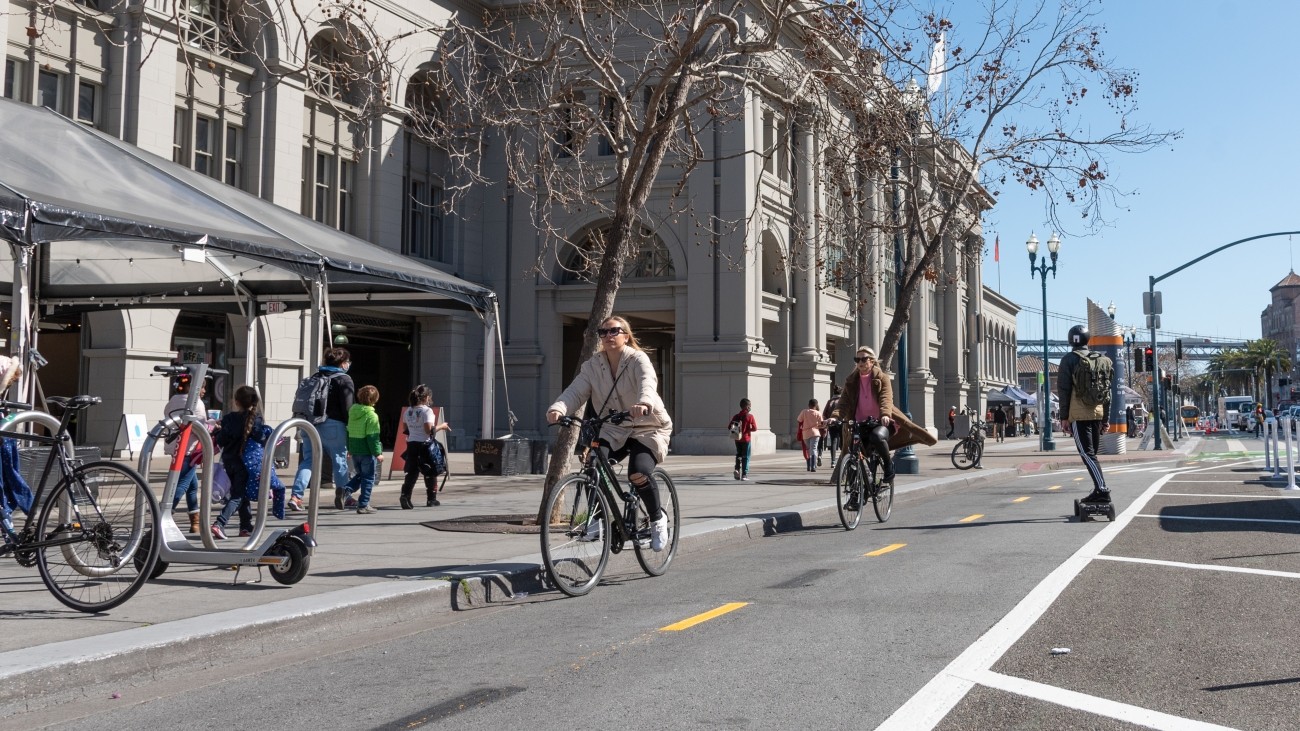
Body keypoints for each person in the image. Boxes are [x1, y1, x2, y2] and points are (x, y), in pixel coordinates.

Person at [547, 316, 673, 551]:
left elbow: (648, 381)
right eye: (602, 332)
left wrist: (644, 402)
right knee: (592, 464)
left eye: (614, 331)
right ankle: (598, 520)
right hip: (614, 426)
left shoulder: (637, 359)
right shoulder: (593, 366)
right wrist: (558, 408)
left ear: (626, 335)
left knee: (639, 472)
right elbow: (575, 391)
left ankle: (657, 518)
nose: (607, 336)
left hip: (648, 425)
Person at [832, 345, 936, 510]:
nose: (860, 362)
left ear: (872, 361)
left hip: (881, 422)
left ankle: (888, 466)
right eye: (857, 359)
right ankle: (856, 496)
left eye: (864, 359)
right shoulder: (851, 380)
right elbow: (843, 403)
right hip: (859, 424)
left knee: (877, 437)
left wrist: (885, 414)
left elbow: (886, 398)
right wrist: (834, 417)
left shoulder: (882, 378)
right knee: (852, 456)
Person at [211, 386, 285, 540]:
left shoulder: (229, 418)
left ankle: (245, 526)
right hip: (245, 463)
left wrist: (218, 430)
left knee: (241, 493)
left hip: (229, 462)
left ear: (236, 401)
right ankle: (220, 523)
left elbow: (220, 440)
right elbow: (261, 439)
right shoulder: (254, 419)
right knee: (238, 495)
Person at [288, 347, 356, 512]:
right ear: (342, 363)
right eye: (347, 361)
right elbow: (348, 407)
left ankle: (296, 496)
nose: (348, 364)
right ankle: (343, 495)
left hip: (310, 423)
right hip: (334, 425)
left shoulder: (315, 376)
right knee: (339, 460)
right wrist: (351, 429)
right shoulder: (344, 379)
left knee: (308, 461)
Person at [1057, 324, 1113, 505]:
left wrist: (1064, 417)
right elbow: (1107, 393)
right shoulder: (1102, 360)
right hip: (1097, 413)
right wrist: (1106, 419)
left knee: (1087, 454)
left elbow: (1064, 390)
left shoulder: (1068, 360)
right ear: (1087, 339)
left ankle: (1102, 489)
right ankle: (1098, 489)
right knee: (1092, 454)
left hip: (1078, 415)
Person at [162, 378, 208, 534]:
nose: (204, 391)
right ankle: (164, 513)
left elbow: (167, 415)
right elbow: (200, 427)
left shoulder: (174, 399)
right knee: (181, 484)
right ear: (193, 387)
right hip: (189, 448)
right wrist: (213, 426)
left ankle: (195, 522)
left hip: (175, 445)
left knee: (192, 485)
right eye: (202, 387)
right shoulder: (197, 404)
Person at [400, 384, 452, 509]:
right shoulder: (427, 411)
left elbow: (405, 429)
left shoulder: (409, 410)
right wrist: (442, 426)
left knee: (411, 472)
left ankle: (405, 495)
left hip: (412, 444)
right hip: (425, 445)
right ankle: (431, 499)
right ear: (427, 397)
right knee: (430, 471)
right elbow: (429, 430)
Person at [344, 385, 383, 514]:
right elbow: (372, 437)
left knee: (361, 475)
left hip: (355, 449)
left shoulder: (353, 411)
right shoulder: (372, 416)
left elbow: (348, 431)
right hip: (367, 451)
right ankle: (363, 504)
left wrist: (349, 448)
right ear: (375, 399)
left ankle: (346, 490)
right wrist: (377, 453)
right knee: (368, 478)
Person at [729, 398, 758, 481]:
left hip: (737, 439)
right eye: (750, 406)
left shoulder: (736, 416)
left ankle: (737, 469)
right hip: (746, 439)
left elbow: (729, 427)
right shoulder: (750, 416)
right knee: (746, 456)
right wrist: (748, 428)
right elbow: (755, 428)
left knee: (739, 454)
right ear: (747, 407)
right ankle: (744, 474)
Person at [797, 399, 824, 472]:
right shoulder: (818, 413)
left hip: (805, 433)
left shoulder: (804, 412)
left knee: (808, 449)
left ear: (809, 404)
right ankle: (813, 466)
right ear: (816, 405)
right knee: (814, 449)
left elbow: (799, 420)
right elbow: (821, 423)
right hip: (815, 433)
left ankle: (808, 466)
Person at [820, 386, 841, 467]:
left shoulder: (830, 401)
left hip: (832, 424)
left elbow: (824, 413)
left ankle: (833, 461)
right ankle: (843, 460)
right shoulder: (842, 401)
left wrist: (826, 422)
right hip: (842, 423)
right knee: (844, 443)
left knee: (833, 442)